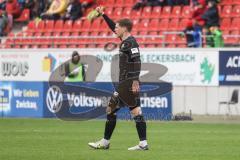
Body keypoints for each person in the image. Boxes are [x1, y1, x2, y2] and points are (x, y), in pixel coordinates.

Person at [88, 6, 148, 151]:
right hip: (126, 82)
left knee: (111, 109)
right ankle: (143, 143)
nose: (115, 29)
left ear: (125, 29)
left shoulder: (131, 43)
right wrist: (103, 15)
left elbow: (137, 61)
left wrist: (134, 81)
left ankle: (105, 142)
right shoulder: (125, 40)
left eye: (117, 27)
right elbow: (111, 26)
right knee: (135, 111)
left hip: (127, 83)